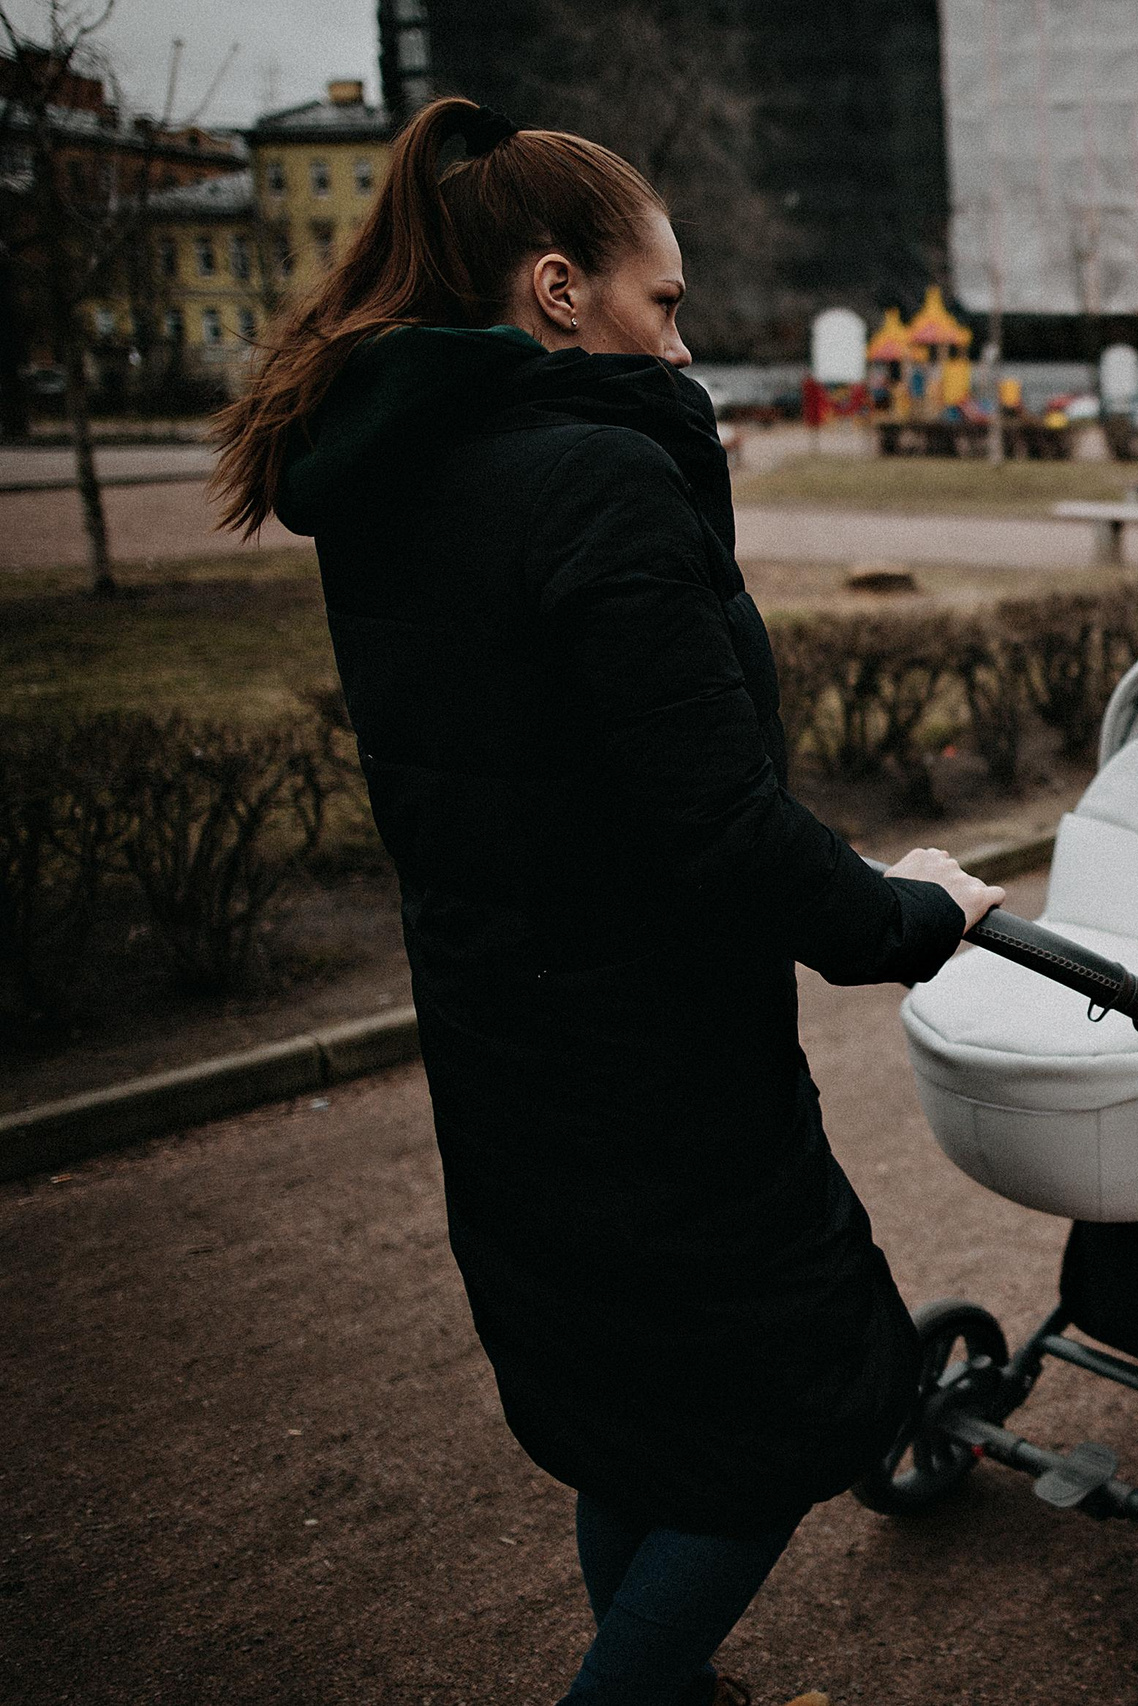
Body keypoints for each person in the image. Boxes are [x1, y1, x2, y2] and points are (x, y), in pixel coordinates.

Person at [210, 98, 1004, 1706]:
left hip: (507, 1047)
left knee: (631, 1407)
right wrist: (914, 908)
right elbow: (718, 832)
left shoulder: (395, 481)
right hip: (662, 1075)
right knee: (787, 1416)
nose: (686, 337)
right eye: (671, 300)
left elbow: (576, 774)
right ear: (560, 294)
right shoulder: (595, 481)